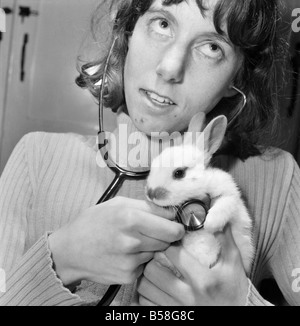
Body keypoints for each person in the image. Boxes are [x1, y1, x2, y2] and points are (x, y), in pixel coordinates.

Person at [0, 0, 299, 306]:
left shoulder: (277, 178)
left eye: (212, 47)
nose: (170, 67)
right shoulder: (36, 156)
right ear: (127, 32)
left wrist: (237, 301)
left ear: (236, 78)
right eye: (162, 24)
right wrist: (61, 259)